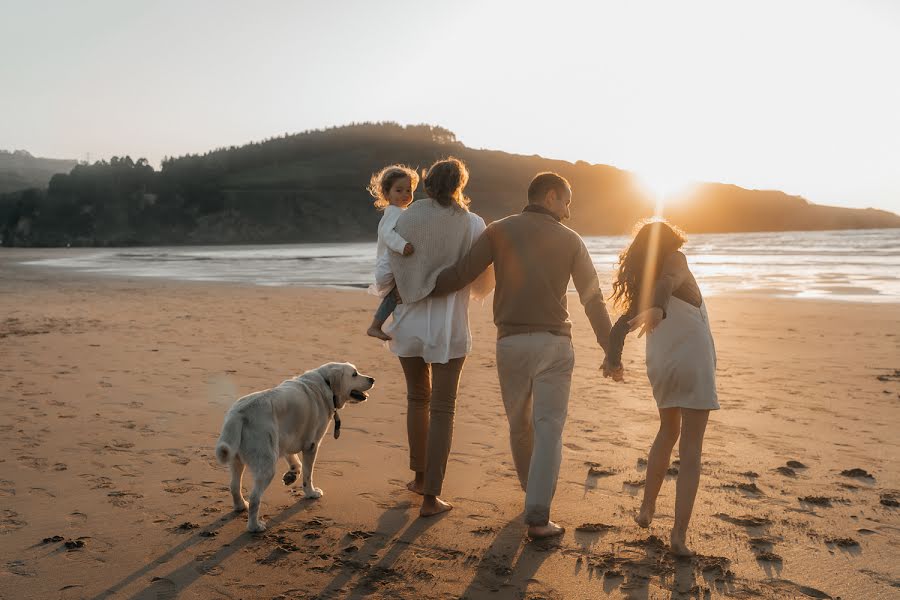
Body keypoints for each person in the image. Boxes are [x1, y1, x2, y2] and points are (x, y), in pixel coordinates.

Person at [432, 172, 615, 538]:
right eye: (566, 200)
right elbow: (592, 298)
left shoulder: (499, 230)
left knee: (520, 426)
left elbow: (462, 274)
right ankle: (537, 513)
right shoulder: (571, 240)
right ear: (550, 197)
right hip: (554, 345)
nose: (568, 209)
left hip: (510, 344)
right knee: (549, 429)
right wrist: (611, 349)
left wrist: (415, 288)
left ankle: (531, 500)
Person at [375, 157, 494, 517]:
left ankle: (418, 476)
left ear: (426, 184)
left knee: (417, 399)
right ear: (461, 185)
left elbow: (384, 275)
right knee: (442, 409)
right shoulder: (474, 223)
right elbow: (482, 282)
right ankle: (431, 498)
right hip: (450, 329)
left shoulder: (405, 216)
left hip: (409, 322)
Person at [605, 219, 719, 557]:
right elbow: (670, 282)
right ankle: (679, 536)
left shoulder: (644, 285)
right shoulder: (676, 260)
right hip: (693, 358)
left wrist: (613, 360)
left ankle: (646, 509)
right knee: (692, 449)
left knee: (667, 431)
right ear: (669, 241)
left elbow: (617, 330)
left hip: (662, 364)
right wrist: (657, 307)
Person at [366, 165, 417, 341]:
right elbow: (388, 235)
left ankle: (375, 326)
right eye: (399, 190)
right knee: (396, 295)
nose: (405, 194)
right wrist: (403, 246)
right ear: (386, 194)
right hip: (387, 266)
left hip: (388, 264)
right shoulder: (394, 212)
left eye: (409, 190)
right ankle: (375, 326)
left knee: (394, 296)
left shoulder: (400, 212)